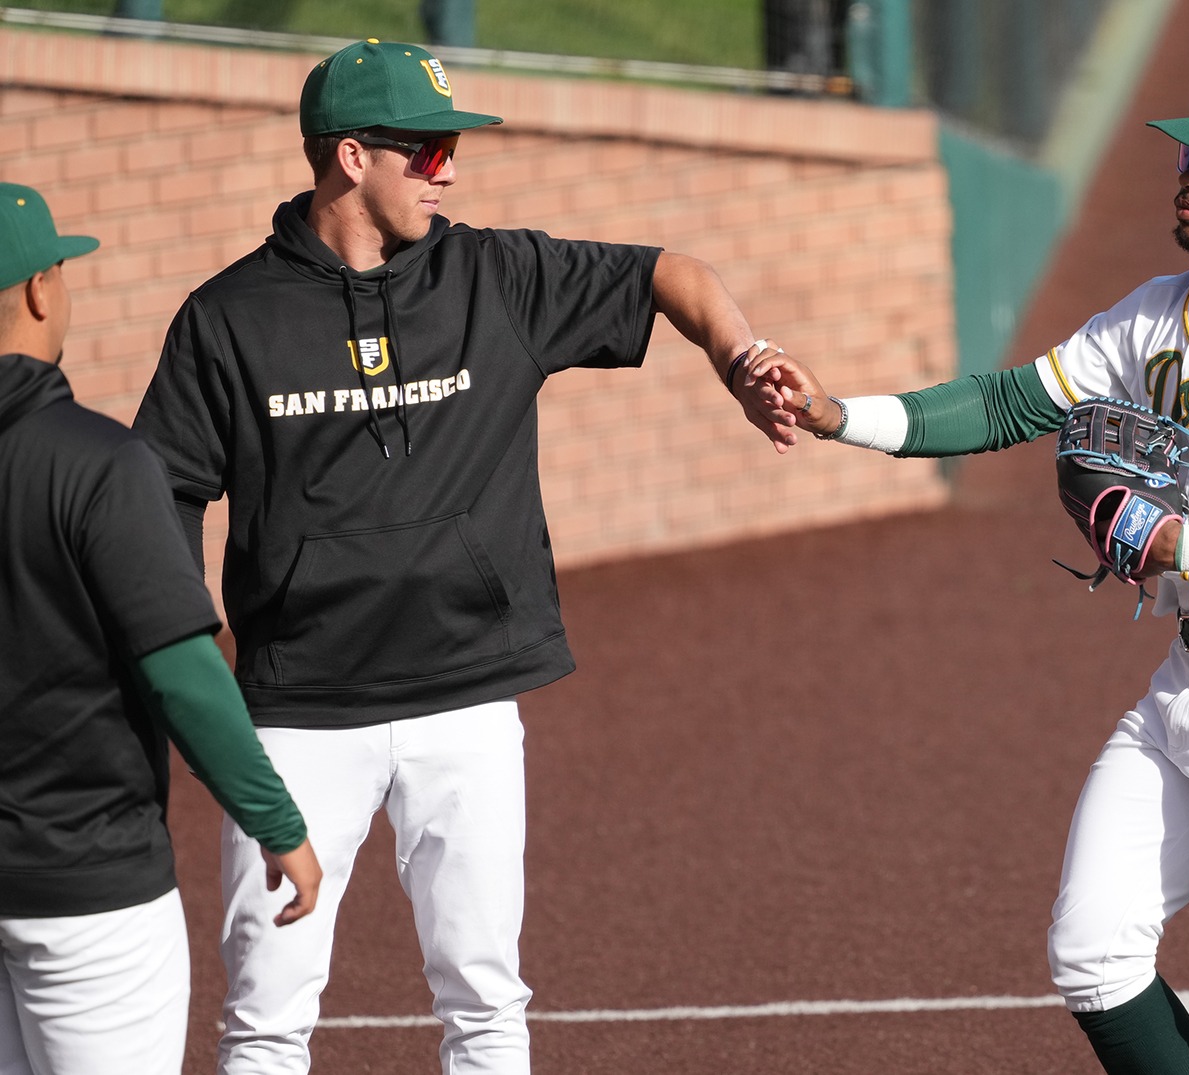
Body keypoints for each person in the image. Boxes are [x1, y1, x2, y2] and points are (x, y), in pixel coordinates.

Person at [131, 39, 797, 1075]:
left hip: (469, 700)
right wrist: (200, 662)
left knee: (486, 1000)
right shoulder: (226, 320)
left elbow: (672, 274)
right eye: (429, 153)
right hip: (300, 718)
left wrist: (742, 357)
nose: (451, 172)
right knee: (267, 1017)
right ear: (352, 157)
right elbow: (161, 496)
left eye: (453, 152)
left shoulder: (500, 276)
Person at [750, 59, 1189, 1075]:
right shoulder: (1156, 314)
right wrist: (840, 415)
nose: (1188, 175)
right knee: (1094, 953)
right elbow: (1011, 403)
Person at [0, 182, 321, 1075]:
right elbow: (183, 671)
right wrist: (278, 823)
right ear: (37, 290)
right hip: (88, 896)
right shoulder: (99, 465)